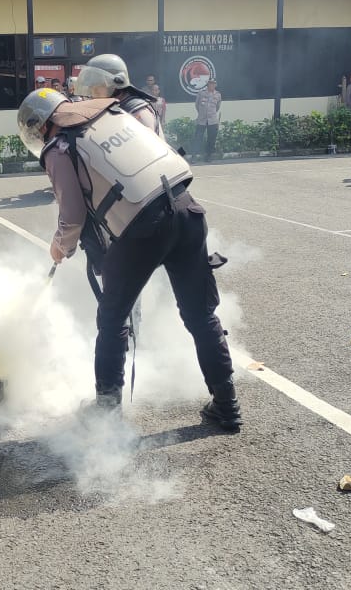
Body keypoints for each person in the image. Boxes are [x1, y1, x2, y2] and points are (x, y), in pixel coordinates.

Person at [18, 88, 241, 429]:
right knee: (200, 314)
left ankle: (106, 411)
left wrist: (59, 246)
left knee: (112, 319)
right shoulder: (114, 116)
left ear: (40, 124)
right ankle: (227, 404)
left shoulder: (58, 146)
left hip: (144, 230)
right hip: (187, 209)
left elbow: (73, 214)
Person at [74, 54, 163, 136]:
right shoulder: (113, 106)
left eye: (98, 85)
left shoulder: (138, 112)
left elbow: (145, 150)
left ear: (117, 82)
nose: (92, 91)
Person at [194, 78, 222, 158]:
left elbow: (217, 107)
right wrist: (202, 113)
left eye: (213, 83)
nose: (212, 85)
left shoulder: (218, 95)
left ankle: (208, 156)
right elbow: (197, 105)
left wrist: (211, 114)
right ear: (207, 84)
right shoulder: (201, 93)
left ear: (215, 85)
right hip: (201, 120)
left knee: (211, 139)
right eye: (210, 83)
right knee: (198, 138)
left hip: (212, 120)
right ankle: (194, 156)